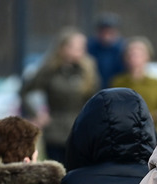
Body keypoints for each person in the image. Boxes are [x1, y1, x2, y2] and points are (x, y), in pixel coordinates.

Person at [20, 27, 100, 164]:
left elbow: (95, 100)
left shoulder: (88, 70)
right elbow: (26, 91)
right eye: (77, 46)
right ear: (63, 47)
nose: (82, 50)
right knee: (57, 171)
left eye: (83, 46)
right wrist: (38, 114)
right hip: (55, 130)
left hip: (80, 130)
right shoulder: (49, 69)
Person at [110, 37, 157, 137]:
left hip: (152, 133)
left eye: (138, 55)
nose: (134, 58)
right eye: (131, 55)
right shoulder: (118, 82)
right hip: (125, 134)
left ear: (147, 57)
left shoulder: (155, 83)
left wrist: (155, 116)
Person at [87, 12, 125, 90]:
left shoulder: (123, 49)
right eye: (103, 31)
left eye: (110, 31)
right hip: (94, 88)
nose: (106, 35)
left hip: (117, 88)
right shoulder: (90, 47)